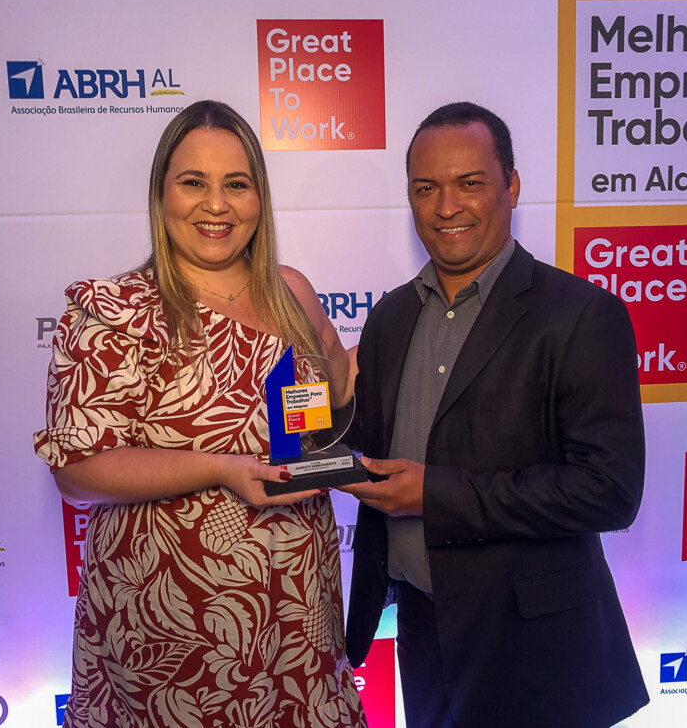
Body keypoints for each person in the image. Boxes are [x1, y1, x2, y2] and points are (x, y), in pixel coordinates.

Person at [34, 100, 366, 728]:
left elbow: (329, 408)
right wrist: (221, 467)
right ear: (161, 194)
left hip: (301, 613)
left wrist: (391, 350)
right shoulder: (115, 309)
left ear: (259, 199)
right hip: (170, 633)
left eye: (236, 184)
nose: (216, 205)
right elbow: (76, 469)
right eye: (194, 182)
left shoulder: (292, 291)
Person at [339, 102, 648, 728]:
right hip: (421, 630)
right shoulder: (390, 317)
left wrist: (435, 494)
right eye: (426, 188)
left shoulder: (581, 315)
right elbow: (368, 443)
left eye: (470, 183)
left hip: (536, 646)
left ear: (512, 186)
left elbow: (609, 492)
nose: (446, 206)